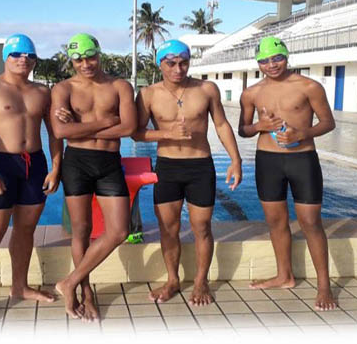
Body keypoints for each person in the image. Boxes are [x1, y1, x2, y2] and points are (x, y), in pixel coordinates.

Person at [132, 39, 242, 306]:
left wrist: (235, 160)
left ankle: (201, 280)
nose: (178, 69)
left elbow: (222, 124)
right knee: (168, 229)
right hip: (168, 167)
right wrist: (167, 133)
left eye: (183, 63)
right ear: (160, 64)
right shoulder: (148, 94)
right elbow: (136, 132)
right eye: (171, 64)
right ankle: (172, 280)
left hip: (200, 166)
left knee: (202, 227)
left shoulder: (206, 89)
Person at [0, 33, 63, 327]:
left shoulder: (42, 92)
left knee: (25, 230)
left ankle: (19, 287)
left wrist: (56, 166)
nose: (24, 59)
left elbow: (54, 132)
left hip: (34, 165)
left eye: (30, 55)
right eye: (17, 54)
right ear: (6, 57)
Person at [238, 36, 337, 311]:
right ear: (258, 63)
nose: (272, 65)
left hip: (302, 159)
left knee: (310, 222)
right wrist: (259, 125)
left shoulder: (309, 87)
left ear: (286, 56)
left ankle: (324, 287)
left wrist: (303, 132)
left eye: (277, 58)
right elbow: (243, 130)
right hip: (267, 161)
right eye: (265, 61)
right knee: (276, 222)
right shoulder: (252, 92)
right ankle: (285, 276)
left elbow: (328, 122)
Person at [50, 33, 137, 321]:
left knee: (119, 231)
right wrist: (104, 123)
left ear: (100, 54)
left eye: (90, 57)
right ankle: (85, 293)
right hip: (77, 164)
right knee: (81, 231)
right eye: (78, 59)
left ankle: (69, 281)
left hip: (109, 162)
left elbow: (128, 127)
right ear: (71, 61)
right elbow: (61, 133)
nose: (86, 64)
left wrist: (82, 128)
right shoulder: (63, 89)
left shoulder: (120, 86)